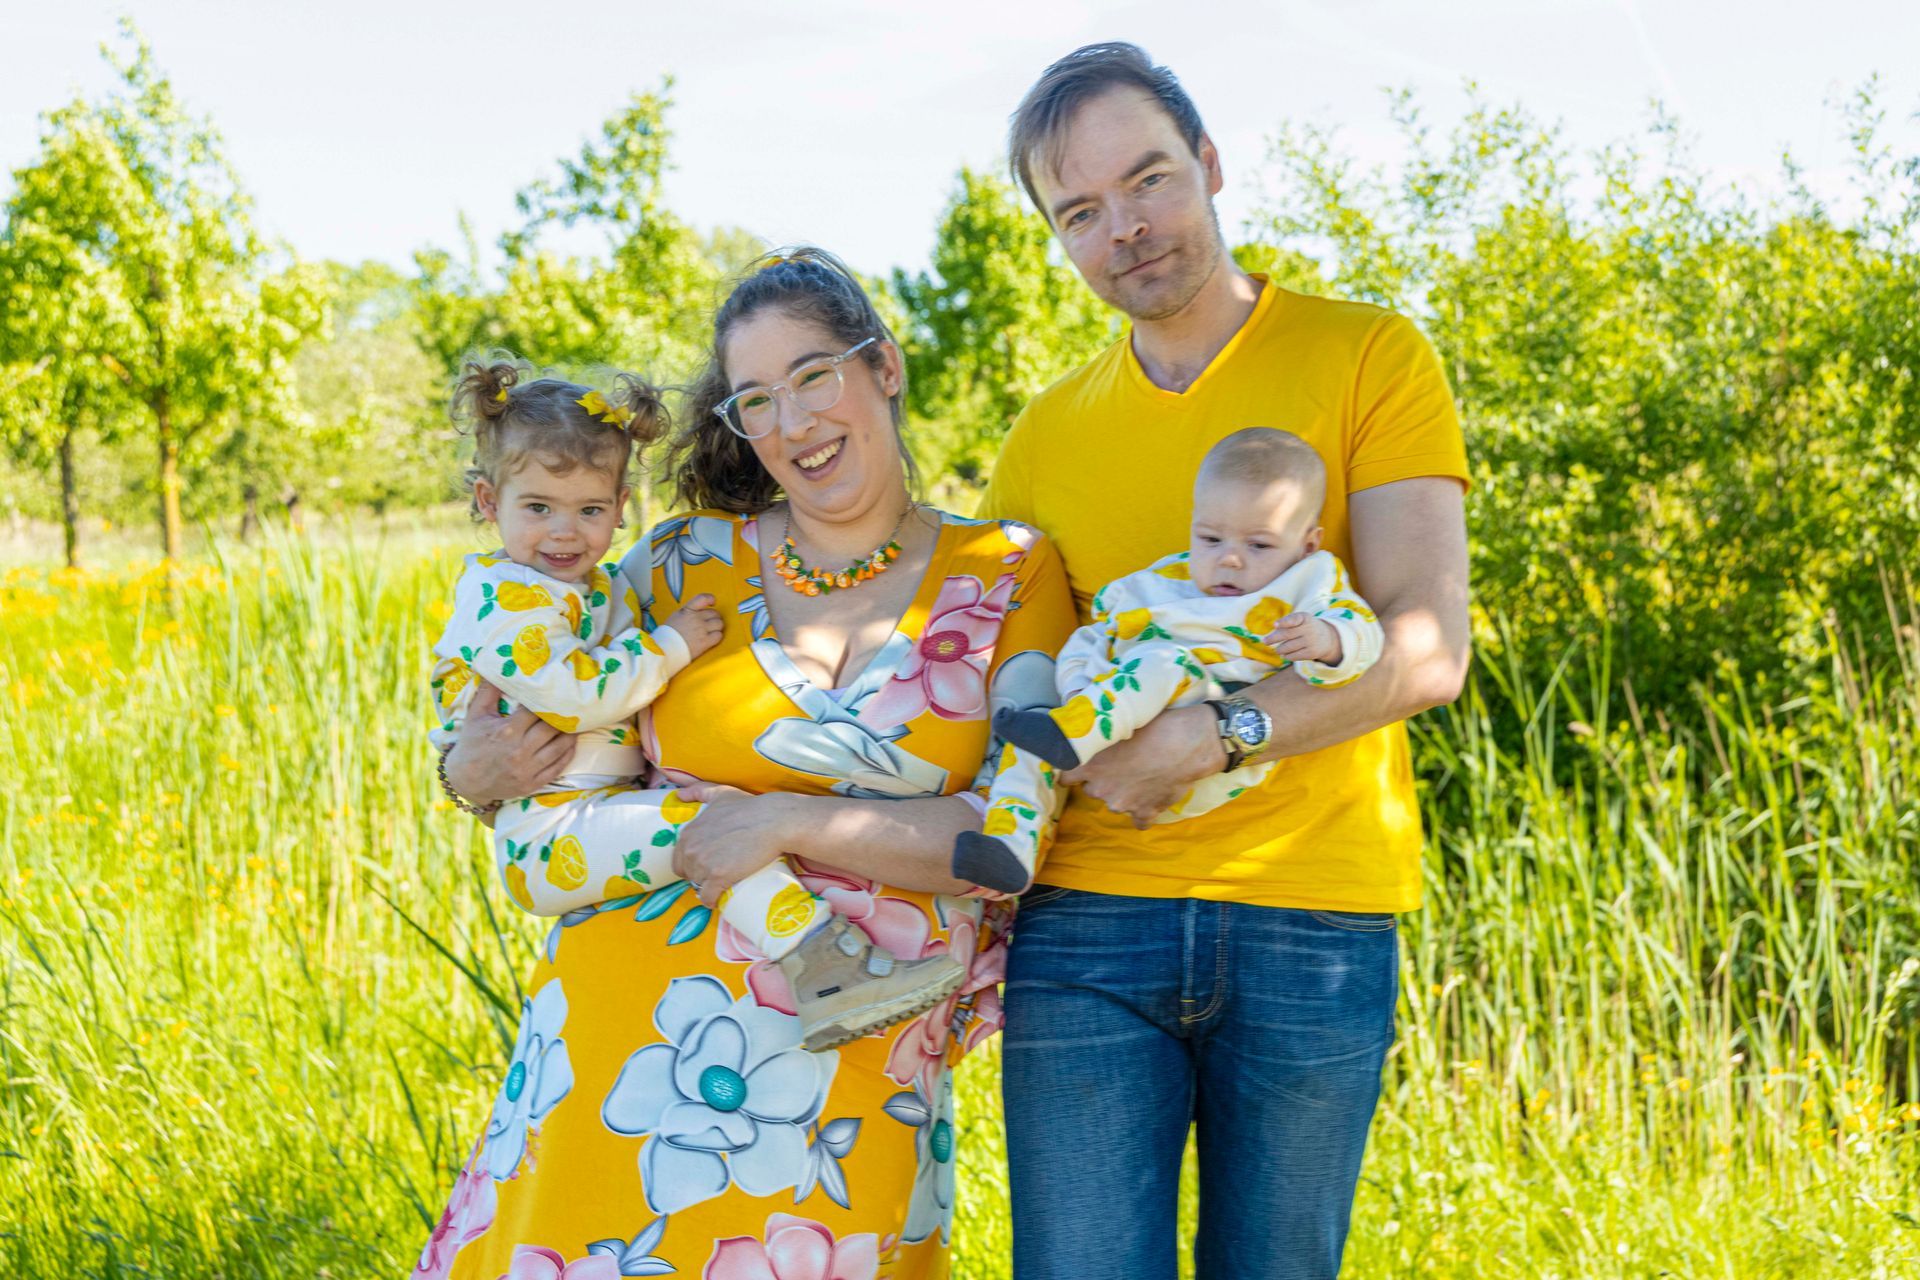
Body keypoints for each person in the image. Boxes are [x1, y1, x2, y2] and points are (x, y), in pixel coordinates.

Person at [418, 247, 1075, 1280]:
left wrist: (783, 824)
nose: (795, 423)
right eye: (756, 401)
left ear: (885, 366)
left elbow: (1008, 842)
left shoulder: (1011, 572)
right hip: (617, 1058)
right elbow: (527, 712)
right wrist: (465, 770)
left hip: (853, 1071)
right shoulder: (681, 562)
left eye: (814, 375)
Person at [983, 43, 1472, 1280]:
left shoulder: (1371, 355)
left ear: (1207, 163)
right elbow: (1025, 687)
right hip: (1087, 925)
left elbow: (1427, 643)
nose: (1125, 229)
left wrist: (1215, 733)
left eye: (1147, 180)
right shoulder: (1042, 437)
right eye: (1080, 211)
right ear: (1056, 235)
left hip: (1315, 914)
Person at [428, 356, 970, 1051]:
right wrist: (670, 647)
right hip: (548, 835)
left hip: (582, 813)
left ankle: (830, 971)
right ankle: (828, 968)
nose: (564, 533)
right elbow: (573, 698)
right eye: (538, 509)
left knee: (718, 823)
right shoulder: (506, 597)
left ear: (621, 508)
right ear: (486, 503)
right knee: (712, 833)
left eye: (589, 510)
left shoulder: (584, 584)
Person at [957, 427, 1382, 893]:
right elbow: (1095, 636)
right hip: (1104, 721)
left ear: (1307, 544)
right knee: (1031, 731)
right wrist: (1079, 684)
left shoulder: (1310, 582)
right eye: (1211, 538)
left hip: (1207, 744)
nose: (1231, 560)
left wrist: (1328, 639)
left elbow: (1367, 634)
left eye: (1258, 545)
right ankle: (1010, 846)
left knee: (1164, 662)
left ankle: (1075, 728)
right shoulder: (1163, 581)